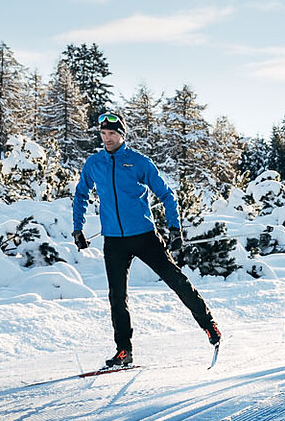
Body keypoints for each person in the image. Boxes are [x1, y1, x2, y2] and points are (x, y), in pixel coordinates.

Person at [71, 110, 221, 369]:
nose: (107, 138)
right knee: (117, 297)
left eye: (112, 134)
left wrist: (175, 228)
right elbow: (81, 195)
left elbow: (167, 195)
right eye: (103, 134)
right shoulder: (94, 164)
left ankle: (209, 325)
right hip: (114, 241)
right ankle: (124, 351)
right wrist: (78, 228)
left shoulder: (139, 162)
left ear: (122, 135)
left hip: (144, 236)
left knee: (175, 279)